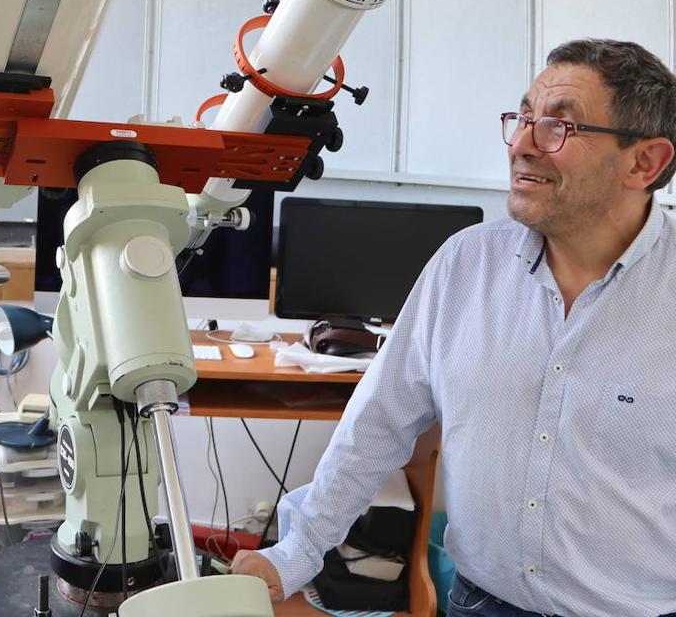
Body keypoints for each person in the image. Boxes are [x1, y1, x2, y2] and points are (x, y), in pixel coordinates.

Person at [232, 39, 676, 616]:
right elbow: (379, 422)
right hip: (478, 602)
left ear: (644, 162)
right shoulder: (466, 263)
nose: (521, 145)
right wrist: (296, 552)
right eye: (522, 119)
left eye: (558, 127)